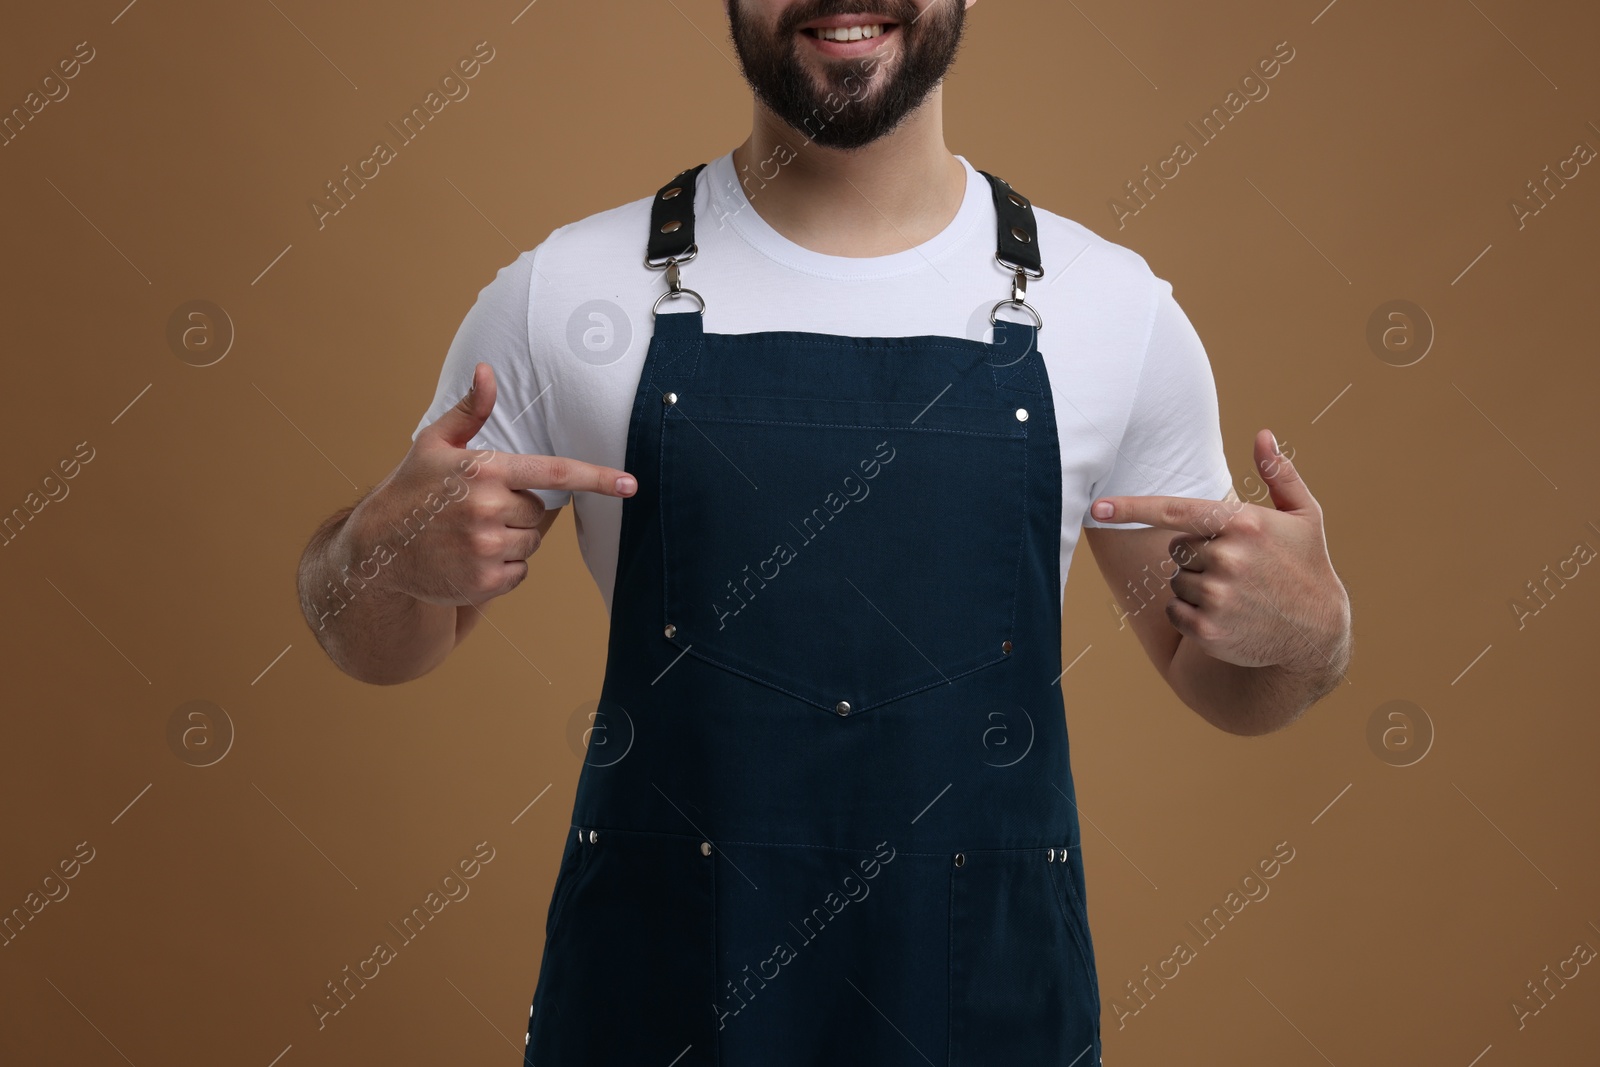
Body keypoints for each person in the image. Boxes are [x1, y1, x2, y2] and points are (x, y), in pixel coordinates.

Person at [296, 1, 1353, 1063]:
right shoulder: (567, 294)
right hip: (657, 1006)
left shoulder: (1111, 309)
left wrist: (1312, 633)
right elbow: (374, 643)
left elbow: (1228, 685)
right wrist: (374, 555)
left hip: (981, 1012)